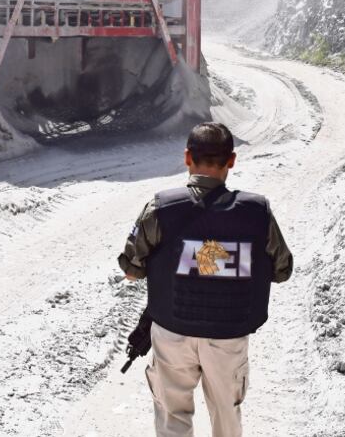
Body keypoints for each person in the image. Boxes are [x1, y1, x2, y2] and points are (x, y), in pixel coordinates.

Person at [118, 122, 293, 437]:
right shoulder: (258, 212)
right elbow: (282, 270)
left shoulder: (160, 207)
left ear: (187, 157)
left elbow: (131, 270)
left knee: (173, 420)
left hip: (172, 334)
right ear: (232, 161)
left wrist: (192, 259)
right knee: (227, 419)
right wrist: (219, 260)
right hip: (228, 337)